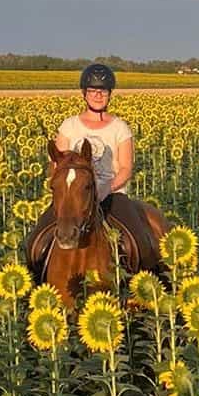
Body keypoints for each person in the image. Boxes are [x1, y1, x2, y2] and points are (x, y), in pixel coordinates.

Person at [42, 63, 164, 270]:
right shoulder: (69, 125)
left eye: (103, 91)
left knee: (136, 240)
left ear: (109, 94)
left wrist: (105, 188)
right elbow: (57, 163)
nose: (98, 95)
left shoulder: (120, 128)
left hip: (112, 195)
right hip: (73, 196)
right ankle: (35, 281)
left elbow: (125, 168)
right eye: (93, 91)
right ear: (84, 93)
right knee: (37, 240)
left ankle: (140, 282)